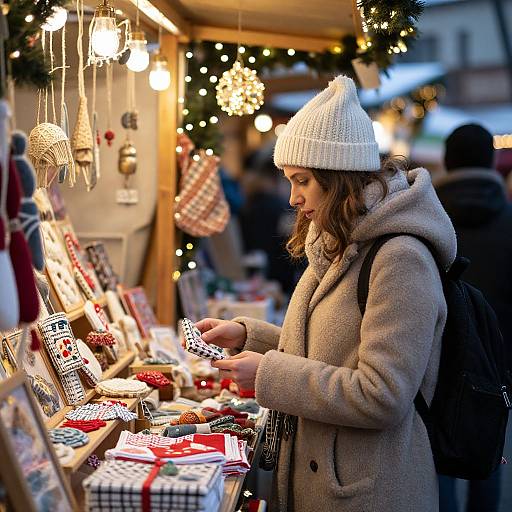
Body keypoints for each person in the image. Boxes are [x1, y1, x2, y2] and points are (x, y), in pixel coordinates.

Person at [195, 75, 457, 512]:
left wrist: (268, 374)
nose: (294, 197)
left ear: (338, 178)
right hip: (328, 483)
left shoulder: (400, 257)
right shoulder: (341, 241)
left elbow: (383, 394)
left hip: (369, 492)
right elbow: (331, 352)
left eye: (302, 181)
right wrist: (249, 336)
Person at [435, 123, 512, 512]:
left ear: (447, 162)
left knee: (440, 461)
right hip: (497, 366)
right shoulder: (509, 218)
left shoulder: (429, 221)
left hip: (436, 361)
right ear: (492, 160)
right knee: (489, 453)